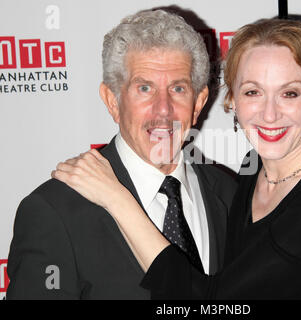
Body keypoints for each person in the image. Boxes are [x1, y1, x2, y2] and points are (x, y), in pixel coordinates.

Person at [53, 18, 301, 299]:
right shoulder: (249, 174)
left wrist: (117, 199)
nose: (269, 114)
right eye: (253, 92)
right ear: (233, 100)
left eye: (289, 93)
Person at [6, 10, 237, 299]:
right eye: (144, 88)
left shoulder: (233, 197)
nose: (163, 110)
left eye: (178, 88)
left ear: (199, 102)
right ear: (112, 101)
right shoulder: (55, 211)